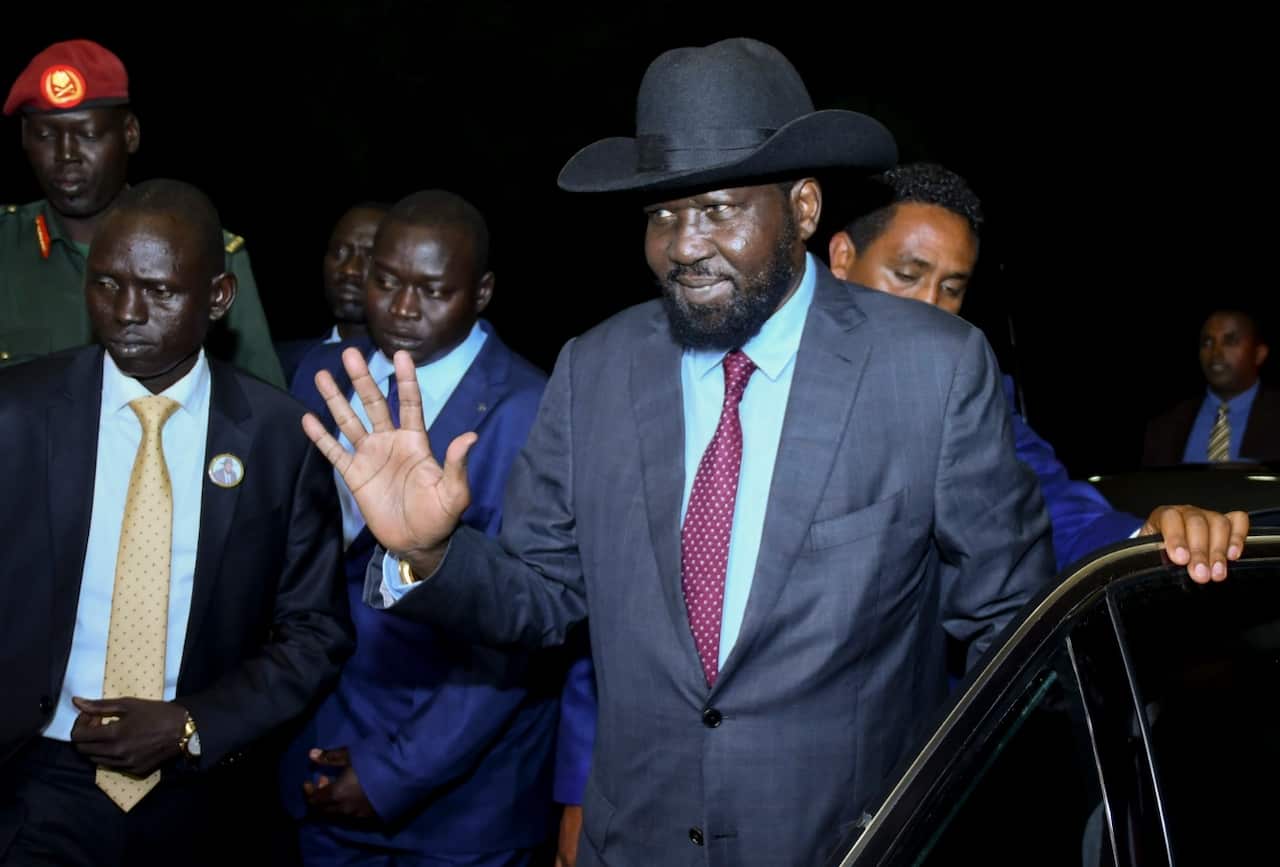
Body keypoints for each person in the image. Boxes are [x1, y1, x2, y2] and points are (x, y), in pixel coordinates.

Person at [304, 37, 1062, 866]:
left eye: (719, 209)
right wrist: (430, 553)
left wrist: (938, 818)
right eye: (662, 214)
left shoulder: (930, 370)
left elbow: (1013, 628)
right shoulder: (595, 369)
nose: (684, 245)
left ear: (803, 209)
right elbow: (542, 594)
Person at [0, 179, 351, 866]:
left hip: (205, 788)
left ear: (218, 298)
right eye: (106, 283)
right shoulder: (16, 415)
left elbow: (317, 632)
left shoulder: (279, 438)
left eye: (159, 292)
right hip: (34, 779)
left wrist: (193, 722)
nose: (127, 312)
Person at [282, 190, 579, 866]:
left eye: (433, 289)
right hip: (321, 760)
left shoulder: (531, 410)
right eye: (385, 281)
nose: (404, 307)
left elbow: (520, 639)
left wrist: (395, 771)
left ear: (481, 291)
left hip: (464, 800)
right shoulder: (323, 377)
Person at [827, 162, 1250, 573]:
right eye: (906, 275)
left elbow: (1046, 506)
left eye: (952, 288)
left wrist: (1144, 537)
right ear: (842, 257)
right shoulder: (770, 368)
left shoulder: (970, 395)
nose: (931, 306)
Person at [0, 38, 286, 387]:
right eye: (46, 135)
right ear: (25, 139)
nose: (66, 154)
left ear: (130, 134)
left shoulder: (202, 252)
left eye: (88, 135)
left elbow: (262, 409)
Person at [1144, 308, 1280, 465]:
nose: (1216, 353)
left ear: (1259, 354)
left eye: (1230, 341)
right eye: (1207, 342)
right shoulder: (1165, 428)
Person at [276, 203, 388, 385]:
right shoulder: (278, 364)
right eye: (340, 252)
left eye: (370, 257)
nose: (350, 269)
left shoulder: (410, 371)